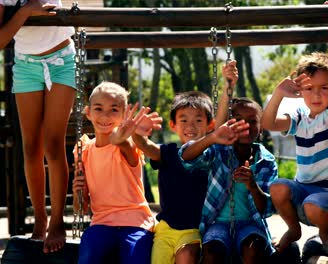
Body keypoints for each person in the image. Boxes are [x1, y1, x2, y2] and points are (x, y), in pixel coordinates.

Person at [261, 1, 328, 252]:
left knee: (314, 204)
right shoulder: (300, 115)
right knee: (278, 186)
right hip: (304, 191)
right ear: (300, 91)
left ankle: (327, 233)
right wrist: (278, 94)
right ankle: (294, 228)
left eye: (324, 87)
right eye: (310, 89)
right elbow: (267, 123)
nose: (317, 94)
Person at [180, 62, 278, 264]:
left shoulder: (266, 161)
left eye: (252, 121)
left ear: (261, 128)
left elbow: (267, 209)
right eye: (238, 119)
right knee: (213, 251)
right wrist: (213, 137)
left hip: (250, 222)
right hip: (217, 222)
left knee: (254, 249)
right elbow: (186, 158)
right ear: (229, 123)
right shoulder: (219, 151)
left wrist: (252, 185)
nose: (245, 125)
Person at [0, 0, 76, 253]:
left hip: (62, 61)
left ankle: (57, 220)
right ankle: (40, 218)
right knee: (31, 147)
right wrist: (23, 11)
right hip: (25, 65)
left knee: (53, 144)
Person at [72, 82, 155, 264]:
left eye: (114, 110)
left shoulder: (127, 145)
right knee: (89, 254)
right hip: (101, 224)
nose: (105, 116)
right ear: (88, 112)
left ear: (125, 114)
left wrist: (119, 139)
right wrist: (77, 193)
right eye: (99, 109)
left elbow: (125, 144)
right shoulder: (83, 149)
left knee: (135, 257)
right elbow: (81, 208)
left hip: (136, 223)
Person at [132, 91, 215, 264]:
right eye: (184, 120)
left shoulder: (211, 157)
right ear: (173, 125)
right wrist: (138, 132)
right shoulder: (168, 153)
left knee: (186, 257)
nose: (190, 126)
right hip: (166, 229)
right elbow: (144, 145)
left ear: (210, 125)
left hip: (194, 229)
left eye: (198, 120)